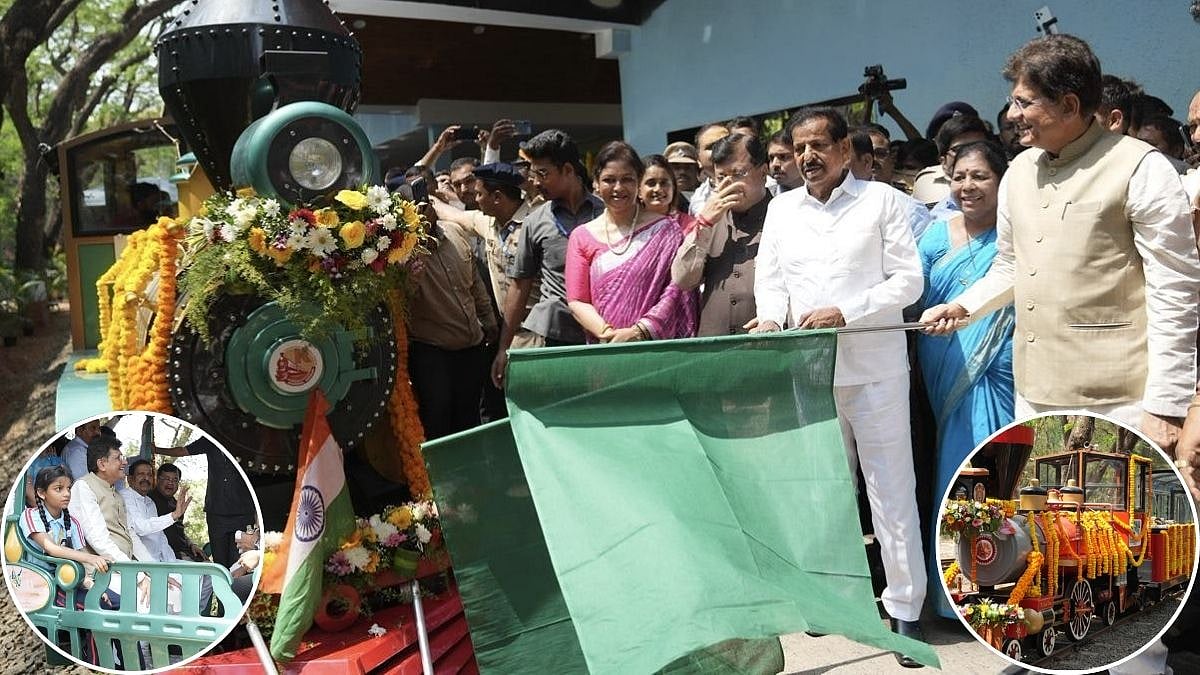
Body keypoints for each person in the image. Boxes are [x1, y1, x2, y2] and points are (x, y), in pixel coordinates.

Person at [921, 34, 1200, 453]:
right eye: (1013, 101)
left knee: (1116, 497)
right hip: (1034, 394)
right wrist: (964, 307)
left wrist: (1165, 404)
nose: (1012, 115)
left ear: (1069, 105)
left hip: (1121, 402)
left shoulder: (1141, 168)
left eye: (1024, 102)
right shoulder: (1019, 172)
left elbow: (1175, 291)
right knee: (1043, 496)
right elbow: (1011, 265)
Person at [752, 107, 927, 667]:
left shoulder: (882, 201)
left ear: (845, 150)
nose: (808, 156)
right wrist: (770, 319)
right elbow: (772, 280)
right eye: (799, 147)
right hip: (810, 371)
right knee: (822, 492)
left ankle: (905, 609)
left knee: (890, 493)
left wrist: (845, 311)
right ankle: (829, 600)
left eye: (818, 146)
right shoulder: (782, 209)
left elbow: (909, 281)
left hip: (875, 369)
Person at [915, 141, 1015, 618]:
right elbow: (915, 296)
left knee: (994, 461)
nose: (967, 186)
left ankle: (1001, 583)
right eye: (959, 177)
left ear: (1002, 181)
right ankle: (955, 596)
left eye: (980, 176)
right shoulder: (935, 236)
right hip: (945, 359)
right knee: (956, 466)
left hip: (1002, 362)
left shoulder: (1017, 236)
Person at [493, 129, 604, 387]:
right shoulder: (535, 222)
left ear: (568, 170)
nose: (535, 182)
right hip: (556, 338)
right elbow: (519, 286)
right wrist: (504, 348)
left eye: (543, 173)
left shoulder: (606, 213)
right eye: (533, 174)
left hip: (605, 334)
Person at [565, 142, 697, 342]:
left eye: (627, 179)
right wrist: (607, 333)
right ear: (596, 184)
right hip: (604, 347)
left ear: (638, 182)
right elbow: (577, 300)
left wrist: (639, 331)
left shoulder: (667, 230)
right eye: (609, 180)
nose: (618, 187)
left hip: (654, 346)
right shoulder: (581, 236)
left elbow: (677, 289)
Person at [671, 133, 771, 337]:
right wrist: (703, 226)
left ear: (763, 172)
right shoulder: (711, 218)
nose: (729, 185)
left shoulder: (785, 215)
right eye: (721, 177)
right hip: (714, 344)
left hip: (770, 342)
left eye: (738, 174)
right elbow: (683, 280)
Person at [22, 466, 119, 609]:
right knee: (101, 606)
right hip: (41, 582)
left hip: (68, 578)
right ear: (41, 493)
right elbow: (51, 549)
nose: (67, 494)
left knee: (118, 602)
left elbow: (77, 561)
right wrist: (92, 558)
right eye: (59, 489)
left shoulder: (73, 523)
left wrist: (89, 583)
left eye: (69, 488)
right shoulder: (31, 515)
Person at [849, 129, 933, 241]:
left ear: (892, 160)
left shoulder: (909, 208)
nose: (874, 160)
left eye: (880, 153)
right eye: (865, 153)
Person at [122, 459, 190, 563]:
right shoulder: (124, 497)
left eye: (149, 475)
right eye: (141, 474)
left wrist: (172, 563)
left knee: (204, 571)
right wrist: (173, 515)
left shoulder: (150, 502)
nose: (146, 478)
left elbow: (160, 537)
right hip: (142, 564)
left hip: (159, 562)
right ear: (130, 479)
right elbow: (140, 527)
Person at [927, 114, 991, 219]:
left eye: (978, 147)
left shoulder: (1013, 200)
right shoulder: (937, 219)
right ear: (944, 162)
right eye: (959, 149)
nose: (970, 155)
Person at [149, 463, 206, 562]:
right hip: (166, 556)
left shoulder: (176, 503)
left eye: (175, 480)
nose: (170, 483)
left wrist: (191, 544)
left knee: (210, 565)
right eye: (167, 479)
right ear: (157, 479)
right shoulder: (149, 501)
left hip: (185, 551)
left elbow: (178, 530)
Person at [687, 123, 731, 216]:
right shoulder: (697, 200)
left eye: (724, 143)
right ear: (698, 160)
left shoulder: (758, 182)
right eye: (711, 147)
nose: (720, 150)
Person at [25, 434, 67, 507]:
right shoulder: (30, 464)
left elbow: (68, 480)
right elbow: (28, 488)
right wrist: (46, 508)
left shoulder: (56, 459)